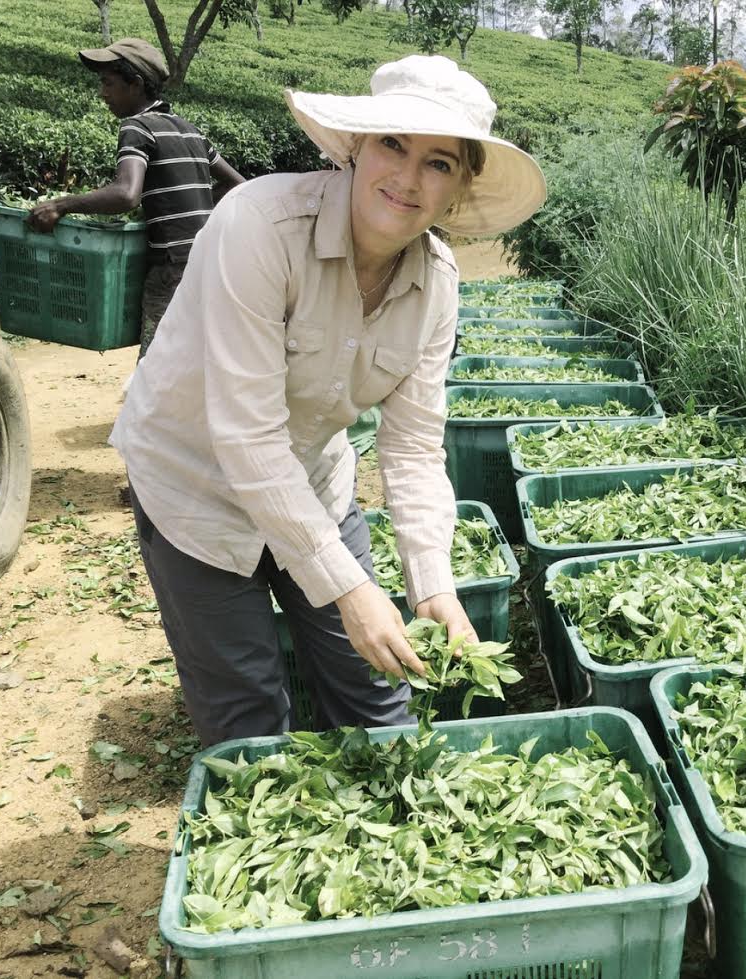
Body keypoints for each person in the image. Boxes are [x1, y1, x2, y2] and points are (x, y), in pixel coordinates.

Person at [109, 54, 547, 747]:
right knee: (249, 718)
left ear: (459, 188)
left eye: (438, 163)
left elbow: (410, 444)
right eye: (392, 145)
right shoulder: (257, 225)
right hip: (193, 484)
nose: (405, 178)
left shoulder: (436, 283)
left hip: (312, 479)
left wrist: (430, 584)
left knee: (378, 692)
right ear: (356, 146)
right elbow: (246, 438)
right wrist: (349, 590)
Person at [28, 38, 245, 357]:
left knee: (156, 373)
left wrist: (61, 205)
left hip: (171, 270)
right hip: (207, 262)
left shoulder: (138, 128)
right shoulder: (190, 130)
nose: (102, 93)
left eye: (109, 83)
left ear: (137, 85)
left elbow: (126, 194)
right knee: (195, 363)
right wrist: (192, 204)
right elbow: (237, 183)